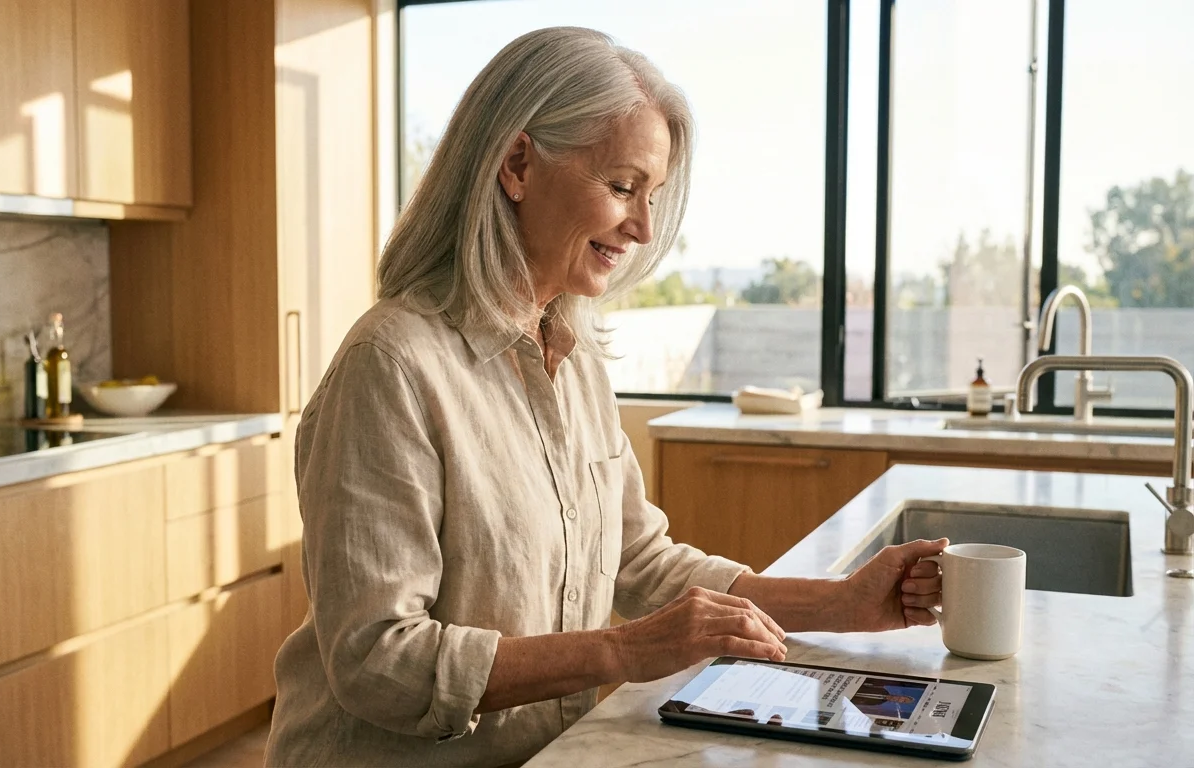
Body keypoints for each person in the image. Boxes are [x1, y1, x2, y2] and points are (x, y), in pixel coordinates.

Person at [265, 26, 945, 768]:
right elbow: (378, 662)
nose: (645, 227)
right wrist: (624, 650)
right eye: (623, 187)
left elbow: (640, 562)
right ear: (518, 164)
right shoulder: (390, 364)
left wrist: (842, 604)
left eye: (651, 196)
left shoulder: (576, 358)